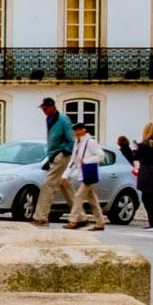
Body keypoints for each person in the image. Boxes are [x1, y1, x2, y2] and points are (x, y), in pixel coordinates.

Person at [30, 97, 76, 225]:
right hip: (54, 156)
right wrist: (50, 158)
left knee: (47, 184)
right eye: (42, 109)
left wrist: (63, 153)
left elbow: (71, 140)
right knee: (64, 184)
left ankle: (41, 217)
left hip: (60, 155)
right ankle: (79, 215)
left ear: (52, 107)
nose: (43, 111)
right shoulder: (49, 119)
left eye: (45, 108)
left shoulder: (63, 120)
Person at [67, 124, 109, 230]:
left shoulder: (91, 142)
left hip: (88, 175)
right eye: (74, 130)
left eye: (77, 130)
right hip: (84, 175)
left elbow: (101, 155)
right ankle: (100, 223)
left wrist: (86, 161)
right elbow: (74, 159)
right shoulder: (78, 142)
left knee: (78, 196)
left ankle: (73, 220)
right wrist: (66, 174)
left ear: (83, 130)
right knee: (93, 201)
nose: (74, 132)